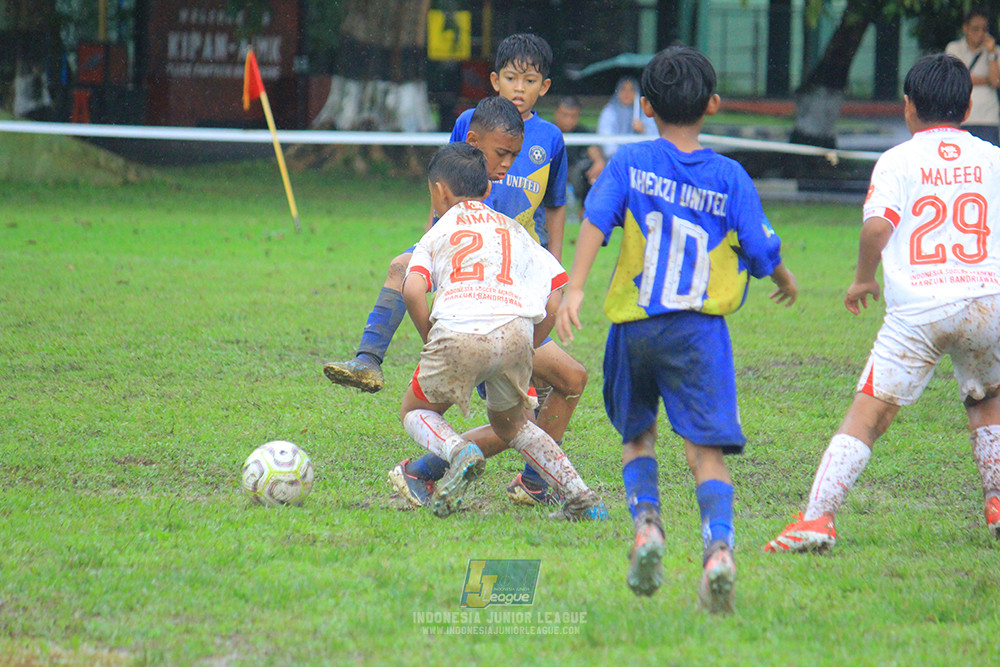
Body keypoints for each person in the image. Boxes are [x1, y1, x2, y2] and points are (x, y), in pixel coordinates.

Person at [555, 46, 798, 612]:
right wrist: (784, 277)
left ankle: (647, 528)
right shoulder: (729, 176)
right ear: (712, 104)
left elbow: (596, 217)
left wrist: (578, 285)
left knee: (637, 436)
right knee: (704, 453)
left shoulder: (630, 162)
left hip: (635, 327)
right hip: (698, 332)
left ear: (644, 106)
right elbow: (761, 248)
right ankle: (717, 550)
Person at [765, 53, 1000, 554]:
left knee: (869, 414)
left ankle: (817, 519)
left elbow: (877, 226)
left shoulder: (899, 159)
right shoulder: (992, 157)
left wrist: (862, 280)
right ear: (967, 105)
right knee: (988, 398)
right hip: (987, 300)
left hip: (919, 309)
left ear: (909, 107)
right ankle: (996, 501)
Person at [384, 33, 589, 510]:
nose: (502, 165)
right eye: (511, 77)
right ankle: (432, 470)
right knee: (538, 401)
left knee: (535, 403)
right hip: (492, 299)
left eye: (530, 79)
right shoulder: (468, 131)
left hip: (514, 290)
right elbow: (447, 188)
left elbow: (556, 207)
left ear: (544, 86)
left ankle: (519, 480)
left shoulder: (551, 141)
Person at [400, 142, 609, 522]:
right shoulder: (514, 229)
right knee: (513, 427)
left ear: (438, 192)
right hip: (514, 334)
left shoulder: (436, 232)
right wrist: (530, 345)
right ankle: (583, 499)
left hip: (457, 330)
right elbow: (554, 298)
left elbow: (413, 289)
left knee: (414, 411)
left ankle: (456, 451)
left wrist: (430, 336)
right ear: (487, 190)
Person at [945, 6, 1000, 145]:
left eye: (984, 29)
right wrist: (985, 80)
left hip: (988, 116)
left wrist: (992, 53)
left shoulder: (995, 51)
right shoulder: (954, 48)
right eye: (975, 29)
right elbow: (956, 78)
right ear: (965, 29)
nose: (980, 34)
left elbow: (996, 81)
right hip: (961, 115)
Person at [552, 96, 605, 220]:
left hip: (575, 174)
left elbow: (595, 154)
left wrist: (598, 162)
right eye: (564, 115)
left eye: (573, 116)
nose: (568, 120)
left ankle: (586, 218)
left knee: (590, 174)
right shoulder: (548, 130)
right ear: (556, 113)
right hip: (550, 171)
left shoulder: (582, 131)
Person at [597, 76, 658, 160]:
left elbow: (656, 136)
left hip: (641, 158)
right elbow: (605, 136)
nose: (627, 93)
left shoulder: (645, 111)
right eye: (623, 89)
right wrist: (620, 155)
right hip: (615, 159)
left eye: (631, 90)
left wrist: (644, 130)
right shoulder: (610, 111)